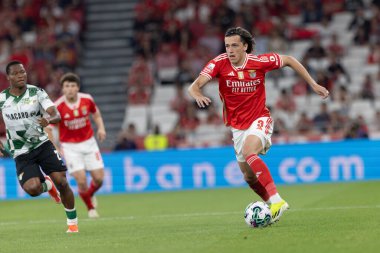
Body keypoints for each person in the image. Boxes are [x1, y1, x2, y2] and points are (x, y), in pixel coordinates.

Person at [188, 27, 329, 224]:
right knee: (249, 177)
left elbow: (289, 60)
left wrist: (313, 84)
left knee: (249, 151)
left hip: (259, 119)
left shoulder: (258, 62)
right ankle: (272, 205)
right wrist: (198, 95)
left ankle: (277, 200)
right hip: (237, 127)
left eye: (235, 45)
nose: (230, 50)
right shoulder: (219, 63)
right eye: (227, 45)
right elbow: (194, 86)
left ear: (245, 47)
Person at [0, 61, 78, 233]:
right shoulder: (2, 98)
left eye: (23, 72)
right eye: (16, 73)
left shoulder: (37, 92)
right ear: (9, 77)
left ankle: (72, 223)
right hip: (21, 152)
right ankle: (47, 186)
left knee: (63, 182)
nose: (21, 75)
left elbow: (56, 114)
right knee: (33, 189)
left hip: (42, 145)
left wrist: (48, 120)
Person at [45, 72, 106, 218]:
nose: (70, 89)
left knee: (99, 179)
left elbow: (96, 114)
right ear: (63, 89)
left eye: (73, 85)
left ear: (78, 87)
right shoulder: (57, 106)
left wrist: (101, 128)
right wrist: (56, 147)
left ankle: (89, 195)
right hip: (70, 147)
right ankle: (90, 208)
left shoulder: (87, 99)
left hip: (89, 143)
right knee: (81, 180)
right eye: (67, 86)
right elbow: (49, 128)